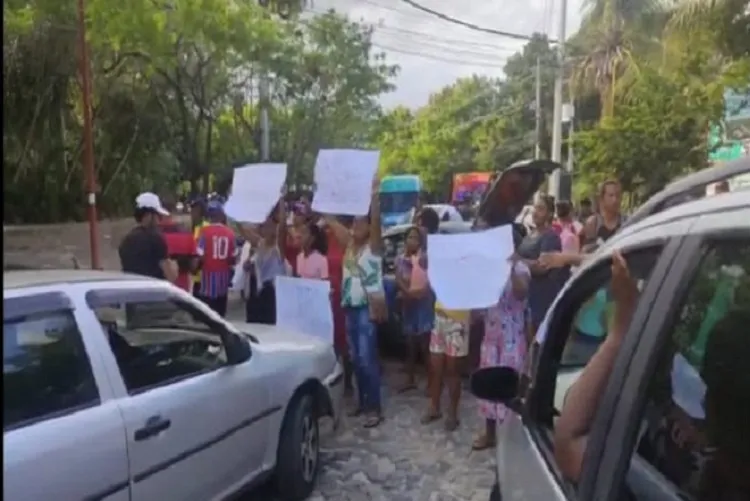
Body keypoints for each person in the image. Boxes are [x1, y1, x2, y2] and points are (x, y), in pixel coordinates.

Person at [324, 178, 384, 428]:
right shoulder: (348, 246)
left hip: (367, 309)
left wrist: (374, 196)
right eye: (355, 221)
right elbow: (329, 219)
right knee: (356, 358)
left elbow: (377, 221)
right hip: (349, 307)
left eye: (362, 221)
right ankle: (362, 402)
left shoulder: (374, 247)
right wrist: (324, 192)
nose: (356, 224)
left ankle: (374, 407)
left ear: (369, 227)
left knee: (367, 357)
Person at [473, 252, 531, 450]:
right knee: (488, 386)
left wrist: (512, 267)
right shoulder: (487, 270)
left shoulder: (522, 268)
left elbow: (521, 292)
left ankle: (511, 435)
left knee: (510, 388)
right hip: (491, 339)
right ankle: (490, 434)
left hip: (512, 340)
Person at [518, 195, 566, 332]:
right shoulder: (531, 234)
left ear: (550, 214)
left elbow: (542, 267)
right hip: (526, 299)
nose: (535, 212)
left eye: (540, 208)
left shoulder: (550, 237)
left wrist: (518, 262)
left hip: (541, 300)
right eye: (535, 207)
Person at [395, 226, 434, 393]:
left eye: (415, 238)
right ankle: (410, 378)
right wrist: (406, 292)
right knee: (410, 344)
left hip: (423, 304)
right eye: (409, 237)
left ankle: (432, 381)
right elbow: (398, 278)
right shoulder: (400, 259)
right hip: (408, 303)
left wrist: (413, 292)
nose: (411, 241)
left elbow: (428, 283)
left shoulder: (425, 259)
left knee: (425, 345)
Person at [423, 294, 470, 431]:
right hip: (439, 315)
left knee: (453, 369)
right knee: (435, 366)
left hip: (458, 319)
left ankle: (453, 413)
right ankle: (434, 407)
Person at [241, 199, 288, 324]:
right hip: (258, 293)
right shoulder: (260, 245)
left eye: (270, 225)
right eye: (264, 226)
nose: (266, 228)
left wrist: (281, 199)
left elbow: (283, 226)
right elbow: (244, 231)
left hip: (274, 294)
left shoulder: (279, 249)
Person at [119, 192, 178, 283]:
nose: (159, 221)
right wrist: (174, 266)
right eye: (158, 216)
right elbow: (171, 276)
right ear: (150, 215)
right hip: (153, 293)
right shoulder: (156, 239)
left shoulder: (126, 240)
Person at [324, 217, 354, 395]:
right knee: (331, 339)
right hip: (328, 294)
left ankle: (349, 382)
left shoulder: (347, 238)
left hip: (344, 294)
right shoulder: (326, 236)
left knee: (344, 341)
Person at [195, 201, 237, 317]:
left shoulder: (204, 232)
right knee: (221, 315)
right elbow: (233, 258)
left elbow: (200, 255)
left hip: (207, 281)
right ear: (221, 215)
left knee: (208, 316)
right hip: (223, 282)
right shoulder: (230, 233)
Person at [158, 194, 196, 292]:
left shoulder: (150, 234)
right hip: (181, 291)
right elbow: (193, 265)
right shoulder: (186, 234)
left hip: (156, 289)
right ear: (174, 210)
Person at [583, 180, 624, 249]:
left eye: (617, 196)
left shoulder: (626, 222)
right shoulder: (593, 223)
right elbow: (586, 250)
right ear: (602, 198)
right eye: (611, 195)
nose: (615, 200)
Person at [190, 198, 209, 297]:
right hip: (197, 277)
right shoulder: (197, 227)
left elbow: (203, 251)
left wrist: (196, 266)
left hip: (203, 277)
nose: (192, 214)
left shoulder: (205, 228)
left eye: (194, 211)